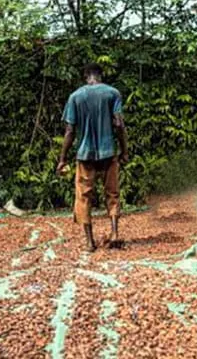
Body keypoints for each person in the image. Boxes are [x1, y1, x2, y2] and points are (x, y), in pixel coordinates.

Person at [55, 63, 128, 252]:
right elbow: (119, 124)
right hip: (108, 153)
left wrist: (62, 158)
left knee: (84, 197)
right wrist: (124, 150)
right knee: (112, 193)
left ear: (86, 77)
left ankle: (89, 242)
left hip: (85, 155)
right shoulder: (113, 93)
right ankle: (114, 234)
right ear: (100, 76)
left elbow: (70, 130)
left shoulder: (75, 97)